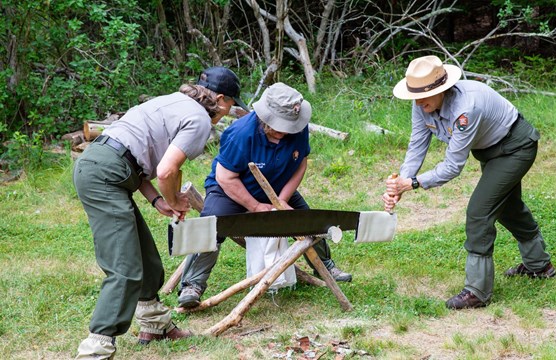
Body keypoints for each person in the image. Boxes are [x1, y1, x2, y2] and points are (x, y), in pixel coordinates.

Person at [73, 66, 248, 358]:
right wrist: (176, 200)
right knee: (125, 268)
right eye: (231, 103)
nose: (230, 110)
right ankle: (95, 349)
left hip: (108, 165)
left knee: (146, 260)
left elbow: (137, 159)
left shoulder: (173, 102)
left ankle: (155, 324)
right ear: (219, 99)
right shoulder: (199, 121)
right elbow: (166, 172)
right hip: (106, 174)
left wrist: (158, 201)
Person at [383, 55, 556, 310]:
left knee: (479, 212)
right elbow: (417, 144)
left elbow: (453, 166)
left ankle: (477, 291)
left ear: (442, 89)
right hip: (491, 152)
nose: (419, 102)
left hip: (515, 148)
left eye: (424, 96)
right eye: (415, 96)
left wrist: (414, 183)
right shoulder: (422, 103)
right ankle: (540, 266)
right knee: (508, 208)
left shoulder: (466, 108)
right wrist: (402, 181)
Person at [178, 82, 352, 308]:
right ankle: (192, 285)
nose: (288, 130)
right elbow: (225, 177)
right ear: (266, 119)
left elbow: (300, 164)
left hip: (277, 188)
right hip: (232, 190)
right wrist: (255, 206)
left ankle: (325, 266)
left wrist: (282, 200)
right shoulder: (241, 133)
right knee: (212, 225)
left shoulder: (299, 128)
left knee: (309, 220)